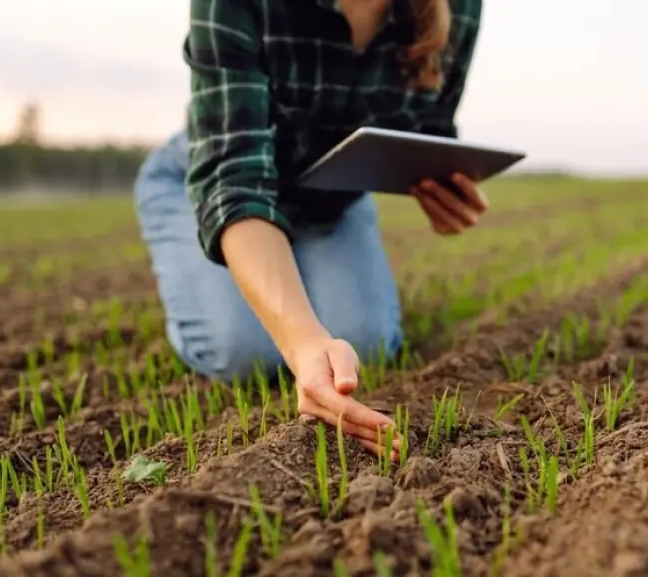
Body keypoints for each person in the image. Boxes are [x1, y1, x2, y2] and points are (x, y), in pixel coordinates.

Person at [133, 0, 486, 456]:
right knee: (243, 353)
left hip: (327, 198)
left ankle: (300, 265)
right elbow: (233, 178)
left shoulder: (459, 8)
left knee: (366, 343)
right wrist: (302, 341)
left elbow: (430, 126)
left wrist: (444, 189)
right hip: (220, 181)